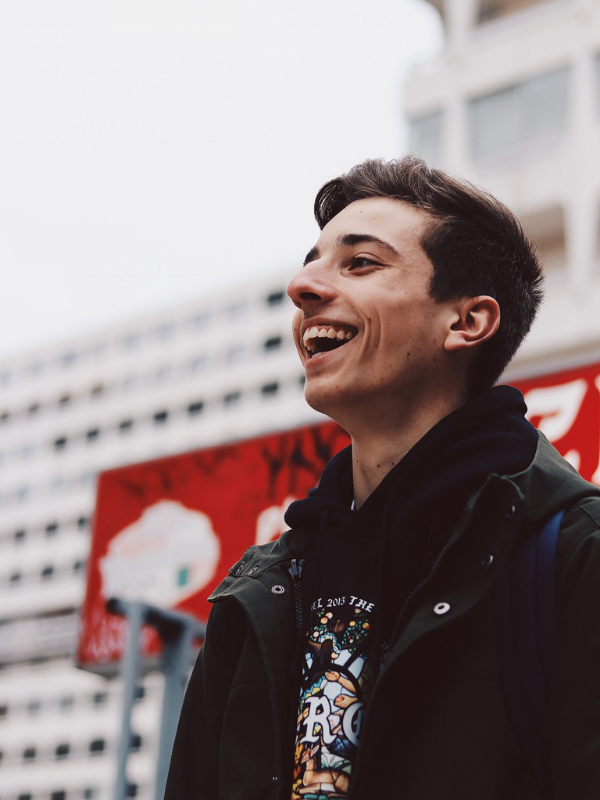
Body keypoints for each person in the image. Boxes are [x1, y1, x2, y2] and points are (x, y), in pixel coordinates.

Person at [164, 157, 600, 799]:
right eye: (311, 263)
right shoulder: (259, 594)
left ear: (467, 322)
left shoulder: (572, 554)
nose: (301, 287)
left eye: (360, 263)